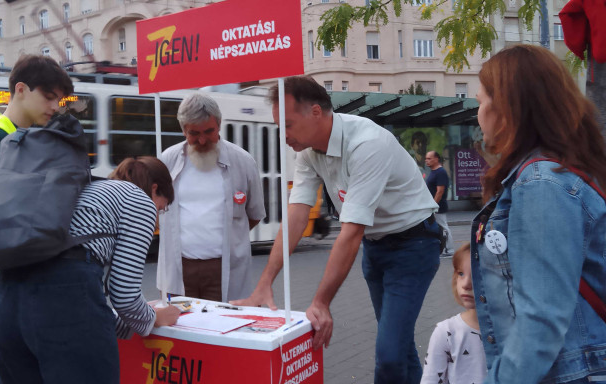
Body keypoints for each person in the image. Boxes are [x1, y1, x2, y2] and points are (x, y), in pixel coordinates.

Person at [232, 76, 440, 383]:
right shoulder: (307, 151)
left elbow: (350, 233)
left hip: (414, 246)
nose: (283, 135)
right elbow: (296, 217)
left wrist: (321, 303)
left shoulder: (367, 144)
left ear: (316, 112)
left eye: (287, 125)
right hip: (377, 247)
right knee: (398, 345)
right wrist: (264, 283)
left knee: (390, 354)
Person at [472, 44, 606, 383]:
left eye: (479, 102)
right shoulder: (565, 172)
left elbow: (541, 320)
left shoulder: (541, 183)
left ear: (505, 108)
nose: (478, 114)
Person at [0, 156, 182, 384]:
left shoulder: (87, 188)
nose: (157, 217)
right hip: (64, 297)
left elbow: (93, 304)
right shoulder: (139, 200)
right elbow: (124, 296)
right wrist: (154, 318)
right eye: (161, 207)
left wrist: (125, 327)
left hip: (6, 296)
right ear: (154, 188)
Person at [0, 54, 73, 307]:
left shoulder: (15, 135)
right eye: (49, 97)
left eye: (58, 100)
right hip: (1, 268)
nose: (56, 107)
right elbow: (4, 214)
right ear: (21, 89)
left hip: (8, 266)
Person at [157, 93, 265, 302]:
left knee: (226, 328)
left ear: (219, 125)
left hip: (224, 269)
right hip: (179, 269)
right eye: (194, 133)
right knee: (182, 330)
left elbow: (254, 214)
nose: (203, 140)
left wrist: (230, 236)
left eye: (209, 131)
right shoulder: (167, 160)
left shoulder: (243, 162)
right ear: (183, 130)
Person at [421, 242, 487, 383]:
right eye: (461, 274)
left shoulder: (515, 332)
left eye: (478, 274)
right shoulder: (446, 332)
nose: (466, 284)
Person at [425, 151, 454, 256]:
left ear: (436, 159)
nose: (427, 160)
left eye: (429, 158)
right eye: (426, 159)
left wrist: (433, 205)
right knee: (434, 227)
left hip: (438, 206)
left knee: (443, 227)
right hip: (432, 206)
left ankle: (449, 249)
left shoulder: (440, 172)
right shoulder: (433, 172)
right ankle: (438, 247)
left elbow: (440, 191)